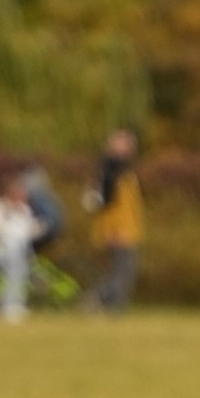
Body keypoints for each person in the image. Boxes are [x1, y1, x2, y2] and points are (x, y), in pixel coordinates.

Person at [86, 126, 144, 313]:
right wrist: (112, 230)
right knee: (121, 270)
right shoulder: (110, 171)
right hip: (117, 229)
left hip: (128, 227)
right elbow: (106, 205)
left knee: (124, 270)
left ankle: (113, 304)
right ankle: (101, 301)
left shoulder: (125, 170)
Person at [0, 169, 40, 323]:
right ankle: (9, 305)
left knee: (18, 260)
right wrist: (7, 214)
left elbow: (29, 232)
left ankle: (14, 304)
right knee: (14, 254)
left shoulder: (25, 211)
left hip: (20, 254)